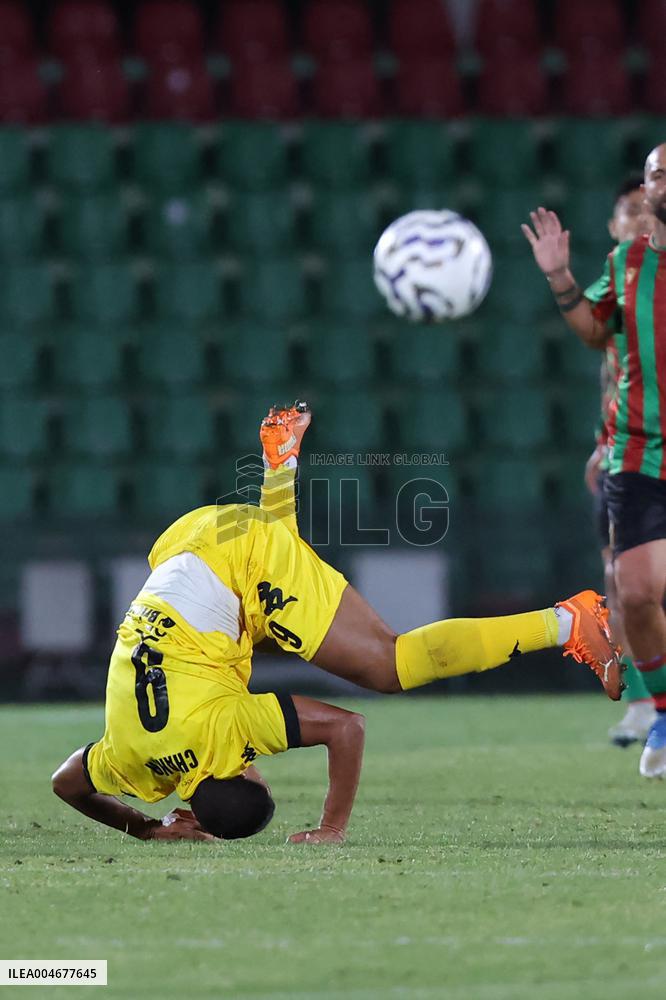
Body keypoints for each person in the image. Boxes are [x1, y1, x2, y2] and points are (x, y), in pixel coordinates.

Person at [52, 404, 622, 843]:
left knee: (388, 665)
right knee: (284, 599)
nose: (256, 764)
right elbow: (66, 784)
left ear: (240, 771)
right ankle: (280, 464)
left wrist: (332, 827)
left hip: (235, 562)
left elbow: (347, 728)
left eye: (255, 770)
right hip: (189, 545)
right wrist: (145, 829)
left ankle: (567, 623)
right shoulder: (125, 759)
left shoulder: (229, 736)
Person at [523, 144, 666, 777]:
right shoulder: (628, 263)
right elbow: (595, 334)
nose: (658, 185)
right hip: (635, 452)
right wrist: (558, 275)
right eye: (656, 173)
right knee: (631, 592)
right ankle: (656, 710)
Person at [582, 177, 656, 748]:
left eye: (642, 208)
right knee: (620, 578)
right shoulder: (623, 281)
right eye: (625, 210)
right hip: (627, 453)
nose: (635, 219)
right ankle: (641, 703)